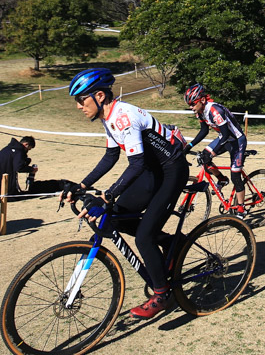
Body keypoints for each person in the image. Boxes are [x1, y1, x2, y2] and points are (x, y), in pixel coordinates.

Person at [60, 68, 188, 319]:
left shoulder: (123, 116)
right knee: (117, 217)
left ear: (99, 96)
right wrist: (82, 186)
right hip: (152, 171)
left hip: (171, 171)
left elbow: (136, 164)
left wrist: (107, 196)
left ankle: (162, 293)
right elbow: (111, 156)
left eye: (81, 100)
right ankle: (171, 243)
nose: (78, 107)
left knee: (142, 237)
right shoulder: (108, 118)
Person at [184, 84, 250, 216]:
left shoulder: (215, 111)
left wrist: (213, 153)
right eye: (189, 105)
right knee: (204, 157)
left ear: (202, 100)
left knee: (235, 174)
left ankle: (241, 207)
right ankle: (221, 179)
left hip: (237, 140)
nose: (191, 108)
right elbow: (204, 131)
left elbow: (226, 135)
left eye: (192, 104)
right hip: (223, 138)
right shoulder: (200, 111)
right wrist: (189, 146)